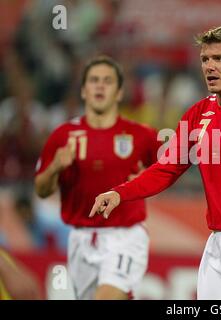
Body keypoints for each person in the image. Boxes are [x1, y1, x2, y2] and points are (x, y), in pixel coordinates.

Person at [90, 23, 221, 300]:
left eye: (220, 59)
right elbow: (167, 168)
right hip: (217, 243)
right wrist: (120, 192)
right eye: (205, 59)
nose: (210, 66)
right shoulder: (198, 114)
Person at [34, 56, 160, 300]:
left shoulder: (141, 135)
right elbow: (41, 189)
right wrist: (55, 167)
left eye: (107, 81)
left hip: (125, 236)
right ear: (83, 90)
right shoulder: (63, 136)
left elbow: (174, 168)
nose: (100, 86)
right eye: (93, 80)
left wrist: (147, 178)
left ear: (119, 92)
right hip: (81, 238)